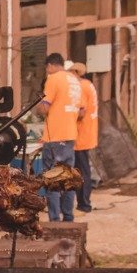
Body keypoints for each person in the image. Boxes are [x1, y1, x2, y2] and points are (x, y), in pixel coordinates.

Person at [38, 53, 82, 222]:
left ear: (50, 66)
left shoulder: (54, 78)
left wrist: (37, 107)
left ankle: (55, 220)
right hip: (70, 135)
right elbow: (80, 111)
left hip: (56, 137)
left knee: (53, 181)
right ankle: (68, 218)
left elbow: (44, 108)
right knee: (68, 179)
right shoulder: (74, 81)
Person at [70, 61, 98, 212]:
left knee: (82, 171)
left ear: (76, 73)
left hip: (81, 135)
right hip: (88, 132)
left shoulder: (80, 87)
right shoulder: (89, 84)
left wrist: (66, 115)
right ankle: (84, 202)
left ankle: (84, 204)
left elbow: (81, 112)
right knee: (84, 169)